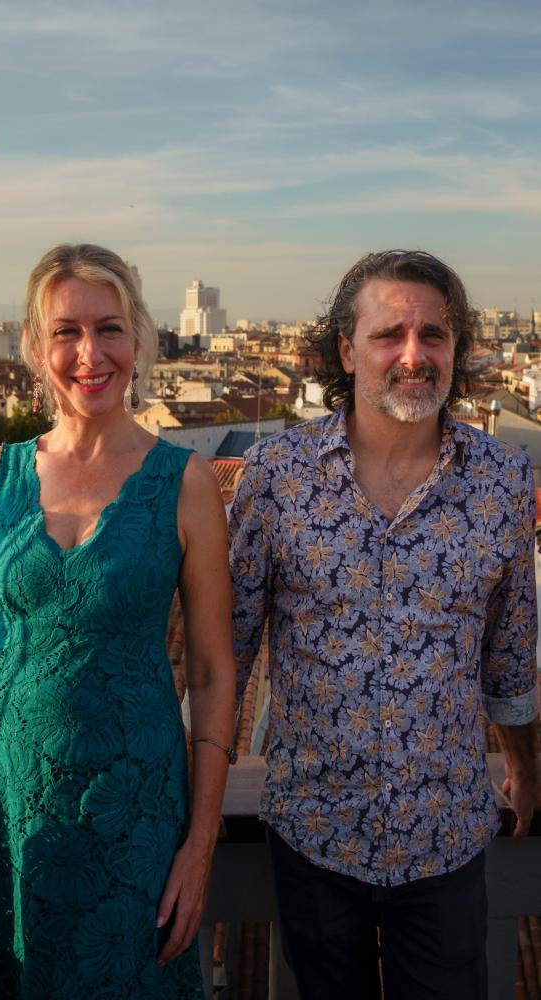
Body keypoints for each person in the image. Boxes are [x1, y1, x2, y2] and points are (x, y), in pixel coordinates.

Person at [0, 243, 237, 998]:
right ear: (36, 348)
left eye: (109, 329)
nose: (90, 354)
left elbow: (212, 671)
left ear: (140, 339)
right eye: (66, 331)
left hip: (134, 809)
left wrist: (200, 841)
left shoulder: (186, 482)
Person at [229, 249, 540, 999]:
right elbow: (227, 654)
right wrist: (200, 787)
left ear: (458, 349)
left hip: (446, 833)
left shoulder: (503, 480)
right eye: (388, 335)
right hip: (313, 831)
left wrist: (526, 769)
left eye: (434, 334)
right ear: (345, 350)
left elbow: (509, 653)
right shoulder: (276, 477)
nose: (413, 354)